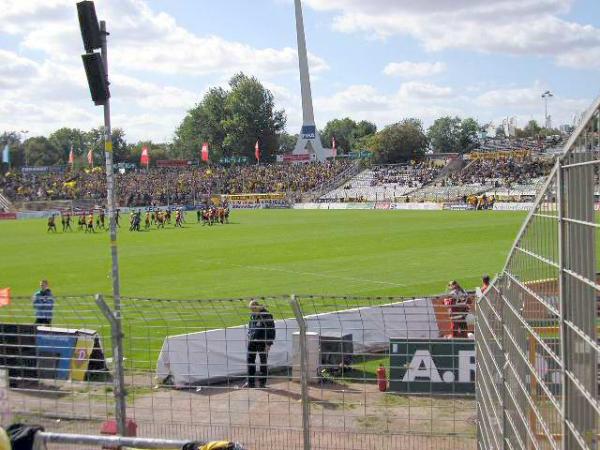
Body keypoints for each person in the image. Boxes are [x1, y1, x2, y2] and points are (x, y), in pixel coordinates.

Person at [245, 300, 276, 388]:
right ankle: (250, 382)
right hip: (252, 341)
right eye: (251, 309)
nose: (252, 311)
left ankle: (262, 383)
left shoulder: (267, 315)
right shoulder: (253, 315)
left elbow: (271, 330)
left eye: (253, 309)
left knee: (263, 362)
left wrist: (269, 343)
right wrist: (249, 335)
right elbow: (251, 327)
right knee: (250, 360)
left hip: (262, 342)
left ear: (256, 307)